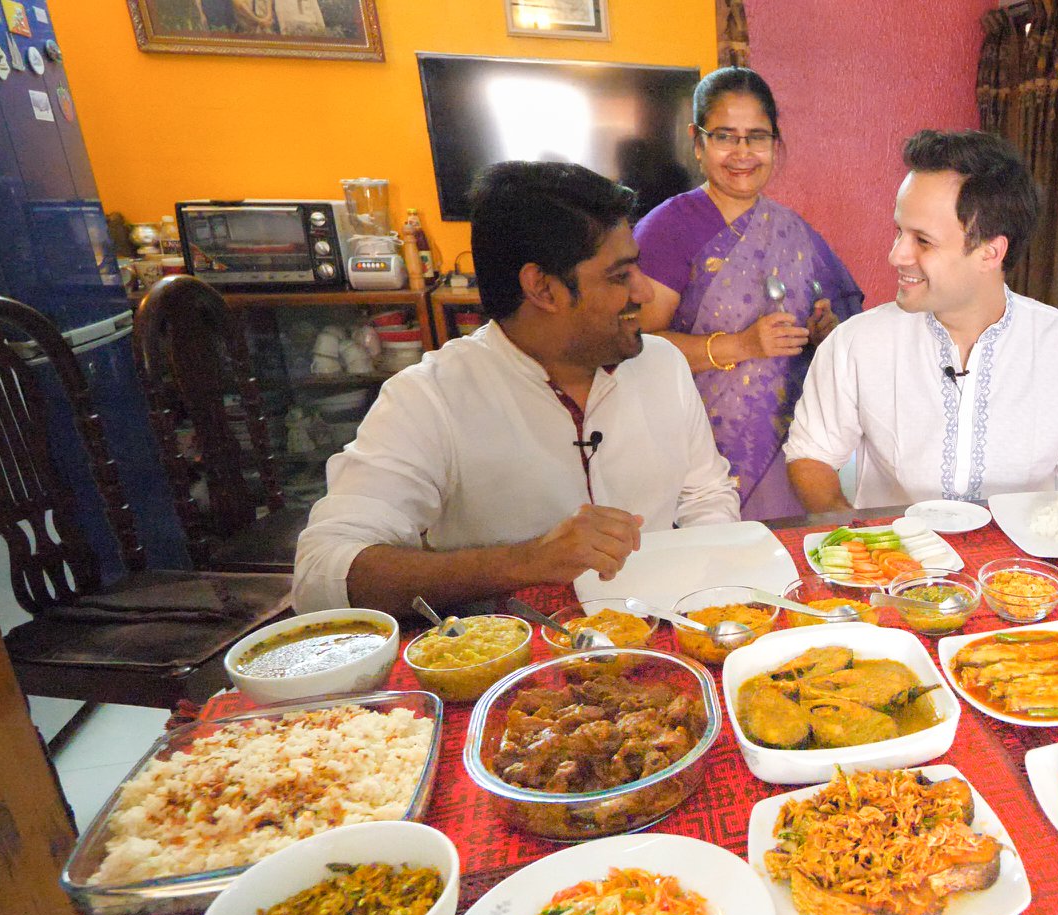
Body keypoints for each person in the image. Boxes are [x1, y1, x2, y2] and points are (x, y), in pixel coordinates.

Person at [293, 161, 739, 615]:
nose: (644, 293)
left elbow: (707, 495)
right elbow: (319, 575)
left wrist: (710, 597)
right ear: (542, 288)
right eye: (619, 275)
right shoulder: (432, 397)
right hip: (509, 651)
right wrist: (526, 561)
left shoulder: (661, 364)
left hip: (663, 637)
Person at [783, 129, 1058, 511]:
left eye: (923, 241)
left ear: (990, 252)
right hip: (897, 550)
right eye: (899, 232)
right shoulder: (855, 344)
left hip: (1022, 551)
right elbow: (811, 455)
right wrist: (859, 537)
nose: (896, 255)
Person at [632, 67, 863, 520]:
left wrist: (822, 332)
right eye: (724, 136)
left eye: (756, 137)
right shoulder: (667, 229)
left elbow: (838, 328)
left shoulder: (794, 231)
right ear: (698, 142)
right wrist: (742, 345)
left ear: (775, 144)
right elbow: (634, 348)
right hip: (697, 452)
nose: (742, 153)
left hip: (788, 445)